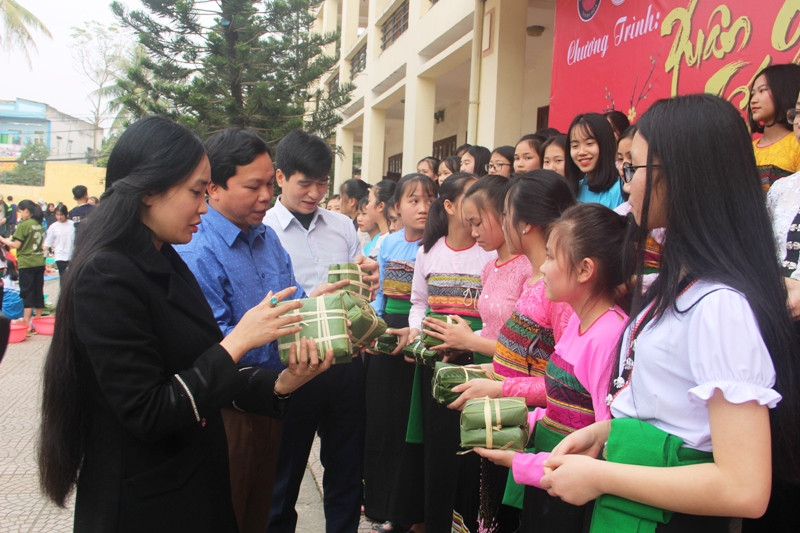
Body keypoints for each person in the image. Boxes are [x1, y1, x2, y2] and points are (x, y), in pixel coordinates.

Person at [36, 115, 332, 532]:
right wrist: (239, 341)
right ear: (149, 191)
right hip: (147, 502)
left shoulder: (164, 257)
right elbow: (149, 409)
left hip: (192, 483)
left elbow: (198, 363)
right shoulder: (107, 276)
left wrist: (282, 384)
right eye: (196, 191)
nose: (203, 206)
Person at [539, 94, 800, 532]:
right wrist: (608, 435)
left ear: (681, 175)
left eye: (633, 169)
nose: (626, 185)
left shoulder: (720, 305)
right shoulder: (680, 284)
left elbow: (744, 488)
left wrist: (600, 475)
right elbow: (675, 416)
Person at [175, 127, 346, 533]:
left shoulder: (267, 239)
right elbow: (210, 343)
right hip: (230, 411)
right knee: (233, 511)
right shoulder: (197, 250)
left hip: (278, 398)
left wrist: (312, 306)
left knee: (272, 508)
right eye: (253, 186)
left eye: (270, 184)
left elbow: (291, 305)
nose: (267, 196)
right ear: (213, 188)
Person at [477, 203, 632, 532]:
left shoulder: (608, 336)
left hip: (571, 493)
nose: (543, 268)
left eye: (550, 257)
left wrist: (521, 463)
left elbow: (601, 444)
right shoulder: (577, 320)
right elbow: (558, 409)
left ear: (585, 270)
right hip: (548, 477)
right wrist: (510, 423)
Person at [263, 129, 369, 533]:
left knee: (345, 467)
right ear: (280, 178)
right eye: (304, 183)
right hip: (295, 364)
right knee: (284, 472)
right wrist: (312, 300)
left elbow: (357, 285)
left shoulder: (342, 226)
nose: (314, 193)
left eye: (322, 183)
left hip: (345, 365)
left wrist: (366, 284)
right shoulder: (266, 228)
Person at [403, 173, 495, 532]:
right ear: (450, 205)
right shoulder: (428, 250)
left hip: (477, 361)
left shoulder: (487, 253)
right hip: (433, 362)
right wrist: (416, 336)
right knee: (438, 447)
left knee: (471, 448)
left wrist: (469, 342)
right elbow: (418, 303)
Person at [366, 173, 437, 533]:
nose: (422, 208)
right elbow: (379, 293)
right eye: (413, 200)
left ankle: (408, 510)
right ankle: (380, 503)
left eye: (429, 199)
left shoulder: (434, 246)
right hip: (386, 336)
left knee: (407, 427)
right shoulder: (389, 243)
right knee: (381, 422)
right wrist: (376, 326)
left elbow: (422, 303)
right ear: (396, 207)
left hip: (413, 339)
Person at [748, 63, 800, 191]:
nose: (753, 100)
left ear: (783, 92)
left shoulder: (796, 144)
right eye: (753, 94)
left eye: (762, 91)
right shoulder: (748, 149)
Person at [0, 199, 45, 331]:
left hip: (27, 263)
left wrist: (2, 239)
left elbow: (16, 245)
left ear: (26, 211)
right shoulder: (39, 224)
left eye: (20, 212)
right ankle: (37, 318)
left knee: (27, 290)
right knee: (38, 289)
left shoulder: (24, 225)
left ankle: (26, 320)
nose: (19, 215)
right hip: (39, 261)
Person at [566, 113, 624, 209]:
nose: (581, 152)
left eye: (589, 143)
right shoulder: (575, 189)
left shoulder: (619, 190)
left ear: (606, 144)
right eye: (575, 146)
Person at [43, 204, 75, 287]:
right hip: (60, 256)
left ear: (66, 214)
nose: (59, 217)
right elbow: (48, 242)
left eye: (61, 215)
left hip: (72, 255)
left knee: (72, 278)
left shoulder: (73, 225)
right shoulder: (53, 227)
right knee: (63, 278)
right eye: (57, 215)